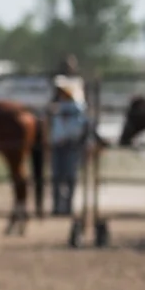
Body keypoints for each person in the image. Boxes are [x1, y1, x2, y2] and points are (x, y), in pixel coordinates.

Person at [46, 75, 90, 216]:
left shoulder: (77, 107)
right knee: (57, 176)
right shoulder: (57, 107)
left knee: (69, 176)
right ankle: (58, 206)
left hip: (71, 145)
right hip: (58, 144)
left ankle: (67, 206)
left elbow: (79, 126)